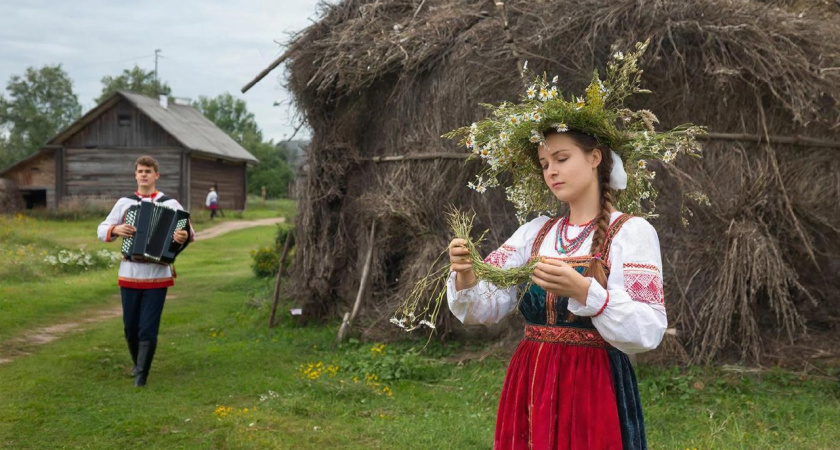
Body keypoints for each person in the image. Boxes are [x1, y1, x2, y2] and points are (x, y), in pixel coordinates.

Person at [444, 42, 702, 449]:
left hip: (594, 389)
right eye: (545, 164)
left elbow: (648, 330)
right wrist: (467, 275)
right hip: (531, 382)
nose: (551, 171)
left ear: (595, 157)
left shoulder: (631, 233)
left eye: (562, 158)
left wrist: (586, 293)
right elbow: (484, 309)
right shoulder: (535, 233)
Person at [97, 155, 194, 387]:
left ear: (156, 175)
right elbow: (101, 229)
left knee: (148, 328)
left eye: (148, 171)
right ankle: (137, 364)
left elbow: (189, 233)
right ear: (135, 175)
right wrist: (116, 229)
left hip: (157, 275)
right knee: (130, 328)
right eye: (140, 171)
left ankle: (142, 376)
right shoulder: (125, 203)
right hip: (129, 273)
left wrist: (181, 236)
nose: (143, 175)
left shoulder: (170, 204)